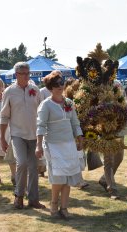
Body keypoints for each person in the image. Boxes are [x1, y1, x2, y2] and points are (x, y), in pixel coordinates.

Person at [36, 71, 83, 219]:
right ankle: (54, 204)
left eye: (61, 84)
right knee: (58, 178)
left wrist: (79, 138)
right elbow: (40, 126)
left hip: (69, 144)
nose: (60, 87)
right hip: (53, 144)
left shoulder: (69, 102)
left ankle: (64, 207)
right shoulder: (46, 105)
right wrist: (38, 145)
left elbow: (75, 122)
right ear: (50, 87)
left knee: (68, 177)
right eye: (56, 85)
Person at [0, 62, 45, 209]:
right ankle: (18, 197)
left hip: (34, 133)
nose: (26, 76)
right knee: (22, 163)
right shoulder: (9, 91)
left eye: (28, 73)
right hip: (17, 134)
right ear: (16, 75)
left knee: (34, 167)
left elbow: (42, 112)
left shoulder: (35, 89)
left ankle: (33, 199)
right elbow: (4, 116)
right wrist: (2, 137)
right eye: (23, 73)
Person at [98, 80, 127, 199]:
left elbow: (126, 104)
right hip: (105, 128)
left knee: (119, 158)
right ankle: (112, 189)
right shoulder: (98, 86)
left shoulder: (118, 84)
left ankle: (104, 179)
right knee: (109, 160)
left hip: (120, 127)